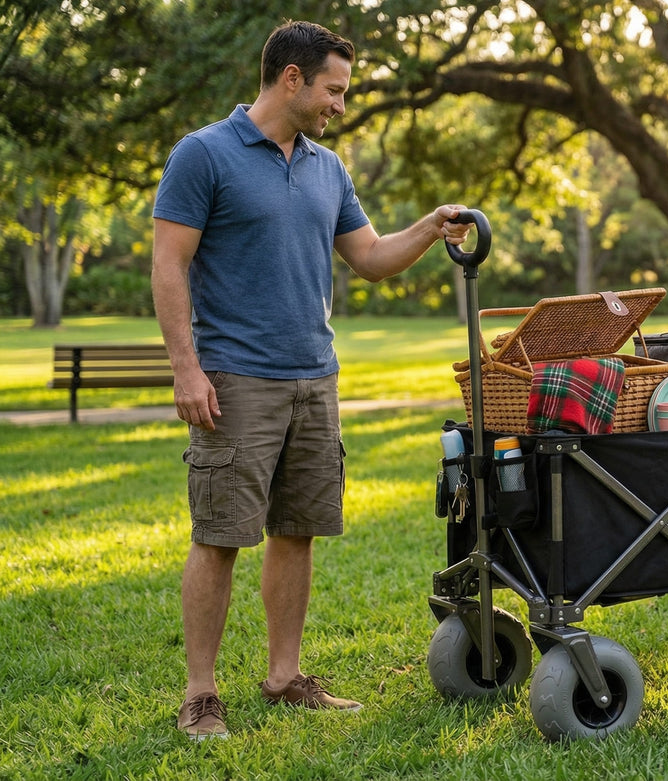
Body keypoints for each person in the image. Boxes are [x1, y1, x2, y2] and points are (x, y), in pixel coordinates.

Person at [152, 21, 474, 741]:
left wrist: (427, 227)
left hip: (314, 379)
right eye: (333, 90)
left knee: (297, 531)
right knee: (220, 535)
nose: (339, 105)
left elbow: (370, 256)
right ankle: (200, 694)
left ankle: (284, 674)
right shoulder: (203, 154)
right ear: (291, 78)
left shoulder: (329, 168)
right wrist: (186, 367)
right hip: (236, 379)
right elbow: (169, 264)